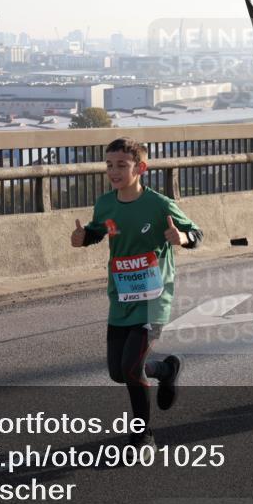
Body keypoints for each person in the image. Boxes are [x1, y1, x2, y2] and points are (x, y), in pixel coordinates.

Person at [71, 137, 203, 448]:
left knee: (131, 368)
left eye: (122, 165)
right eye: (109, 165)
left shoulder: (159, 204)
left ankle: (143, 435)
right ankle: (166, 369)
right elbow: (97, 231)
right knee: (119, 372)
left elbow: (196, 233)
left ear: (140, 168)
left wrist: (181, 237)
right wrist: (82, 237)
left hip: (153, 299)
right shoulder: (106, 203)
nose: (114, 171)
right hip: (120, 298)